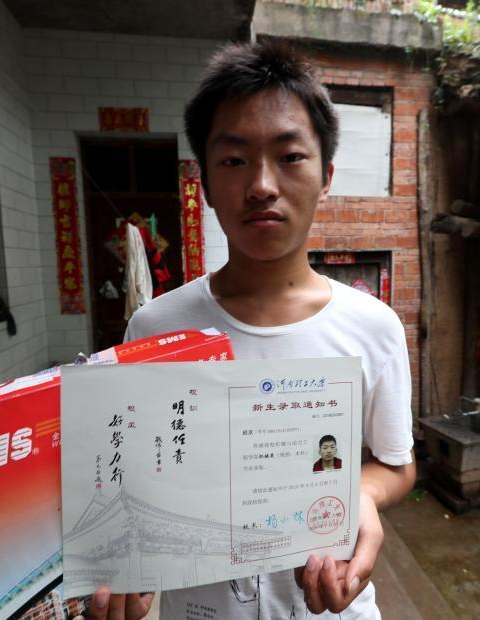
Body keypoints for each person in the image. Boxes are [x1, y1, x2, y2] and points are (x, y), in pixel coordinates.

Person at [78, 39, 415, 620]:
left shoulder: (373, 326)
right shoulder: (155, 327)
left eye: (289, 156)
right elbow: (133, 481)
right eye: (234, 160)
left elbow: (396, 463)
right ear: (205, 183)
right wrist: (124, 573)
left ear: (326, 174)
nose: (261, 184)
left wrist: (360, 494)